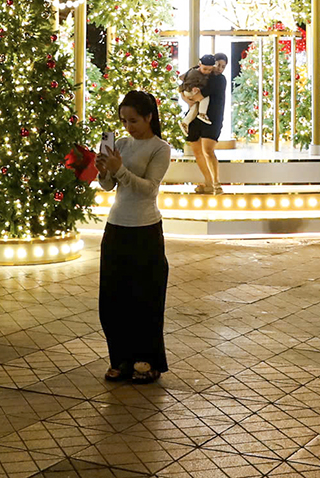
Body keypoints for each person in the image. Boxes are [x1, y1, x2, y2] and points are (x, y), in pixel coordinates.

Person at [96, 90, 172, 385]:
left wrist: (120, 170)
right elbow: (107, 186)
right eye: (124, 121)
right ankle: (120, 358)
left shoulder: (160, 148)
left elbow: (148, 188)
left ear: (149, 116)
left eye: (134, 120)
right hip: (116, 226)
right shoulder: (122, 144)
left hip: (145, 229)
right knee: (112, 299)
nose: (128, 127)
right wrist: (104, 171)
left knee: (145, 298)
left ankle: (148, 359)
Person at [179, 53, 226, 194]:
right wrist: (187, 99)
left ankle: (216, 183)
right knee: (197, 151)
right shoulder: (199, 73)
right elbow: (183, 88)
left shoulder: (219, 80)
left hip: (212, 117)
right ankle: (208, 183)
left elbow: (200, 96)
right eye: (218, 65)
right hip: (195, 117)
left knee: (208, 150)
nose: (219, 68)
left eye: (223, 66)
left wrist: (191, 98)